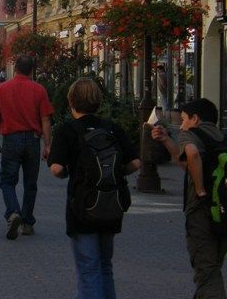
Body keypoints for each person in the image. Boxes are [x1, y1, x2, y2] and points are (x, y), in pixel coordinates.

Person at [49, 78, 140, 299]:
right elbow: (136, 163)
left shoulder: (67, 130)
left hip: (83, 205)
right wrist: (115, 174)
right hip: (111, 204)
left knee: (88, 266)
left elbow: (56, 168)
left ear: (71, 101)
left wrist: (69, 173)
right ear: (98, 101)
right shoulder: (111, 127)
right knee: (104, 264)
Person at [151, 98, 227, 298]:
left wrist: (200, 189)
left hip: (201, 211)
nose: (181, 124)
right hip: (222, 210)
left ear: (195, 119)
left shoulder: (190, 134)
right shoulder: (221, 137)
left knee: (207, 272)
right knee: (213, 264)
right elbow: (188, 163)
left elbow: (192, 155)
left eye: (184, 119)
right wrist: (167, 141)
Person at [0, 55, 54, 239]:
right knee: (30, 183)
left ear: (15, 69)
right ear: (31, 70)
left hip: (11, 140)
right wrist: (48, 145)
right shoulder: (39, 89)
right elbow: (45, 119)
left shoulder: (2, 88)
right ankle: (26, 222)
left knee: (7, 180)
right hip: (33, 140)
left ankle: (13, 211)